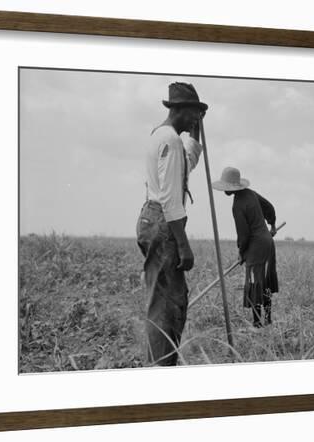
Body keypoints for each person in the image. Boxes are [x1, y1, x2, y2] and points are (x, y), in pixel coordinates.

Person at [136, 82, 207, 366]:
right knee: (168, 305)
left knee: (163, 300)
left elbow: (185, 164)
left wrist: (197, 132)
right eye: (192, 113)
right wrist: (183, 245)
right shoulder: (170, 140)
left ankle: (160, 363)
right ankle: (161, 369)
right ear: (178, 109)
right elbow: (170, 198)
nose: (194, 119)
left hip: (150, 218)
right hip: (164, 222)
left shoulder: (163, 136)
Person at [212, 167, 279, 328]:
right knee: (265, 281)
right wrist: (272, 224)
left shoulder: (237, 205)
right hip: (268, 242)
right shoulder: (251, 193)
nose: (225, 190)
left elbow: (244, 235)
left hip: (257, 246)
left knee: (255, 282)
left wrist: (242, 252)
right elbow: (269, 207)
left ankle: (257, 324)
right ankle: (268, 320)